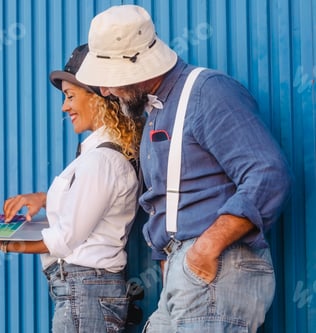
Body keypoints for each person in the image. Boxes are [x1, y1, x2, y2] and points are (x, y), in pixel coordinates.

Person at [75, 5, 292, 332]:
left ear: (137, 67)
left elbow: (268, 174)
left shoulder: (207, 92)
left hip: (216, 265)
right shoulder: (157, 111)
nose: (105, 91)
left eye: (109, 80)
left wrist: (207, 247)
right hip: (188, 271)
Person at [0, 44, 144, 332]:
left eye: (70, 96)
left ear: (97, 99)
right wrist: (44, 199)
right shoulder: (103, 154)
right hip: (87, 292)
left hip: (86, 292)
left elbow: (64, 239)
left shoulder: (102, 160)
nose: (64, 107)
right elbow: (92, 204)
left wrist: (2, 242)